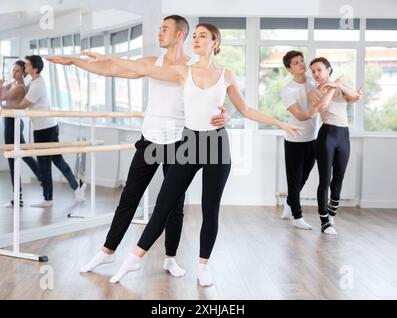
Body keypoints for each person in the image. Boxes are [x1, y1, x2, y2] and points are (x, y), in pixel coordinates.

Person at [85, 23, 303, 286]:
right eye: (195, 36)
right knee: (164, 203)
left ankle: (203, 266)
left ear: (216, 43)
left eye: (203, 36)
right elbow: (142, 68)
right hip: (189, 143)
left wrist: (281, 124)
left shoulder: (227, 75)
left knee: (209, 209)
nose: (196, 40)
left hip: (217, 147)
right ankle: (134, 259)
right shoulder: (181, 71)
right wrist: (108, 57)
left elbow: (246, 110)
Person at [48, 15, 231, 277]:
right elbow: (112, 70)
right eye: (159, 29)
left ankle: (170, 258)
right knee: (129, 197)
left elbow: (216, 98)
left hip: (181, 141)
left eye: (165, 29)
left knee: (173, 205)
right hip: (150, 139)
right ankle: (107, 251)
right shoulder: (151, 62)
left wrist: (226, 116)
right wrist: (76, 62)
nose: (159, 33)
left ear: (180, 34)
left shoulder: (195, 66)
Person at [3, 55, 86, 207]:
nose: (25, 67)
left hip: (46, 129)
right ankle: (54, 196)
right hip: (42, 128)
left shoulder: (37, 85)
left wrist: (3, 108)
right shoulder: (33, 82)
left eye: (27, 66)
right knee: (48, 163)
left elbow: (22, 105)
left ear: (34, 69)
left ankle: (68, 189)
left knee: (52, 161)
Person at [308, 57, 362, 235]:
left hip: (343, 135)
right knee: (325, 179)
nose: (316, 74)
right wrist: (333, 86)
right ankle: (324, 221)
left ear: (329, 69)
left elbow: (355, 97)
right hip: (327, 136)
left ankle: (332, 214)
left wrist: (338, 85)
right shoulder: (314, 92)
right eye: (313, 71)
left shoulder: (338, 88)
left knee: (338, 178)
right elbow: (323, 105)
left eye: (319, 70)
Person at [280, 51, 326, 229]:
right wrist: (316, 110)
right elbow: (299, 115)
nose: (301, 64)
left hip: (312, 140)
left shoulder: (313, 82)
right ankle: (297, 216)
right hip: (294, 141)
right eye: (296, 63)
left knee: (303, 178)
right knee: (294, 179)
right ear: (289, 69)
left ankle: (289, 202)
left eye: (301, 61)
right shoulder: (288, 90)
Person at [0, 60, 41, 207]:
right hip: (9, 122)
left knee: (15, 157)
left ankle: (19, 196)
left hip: (13, 124)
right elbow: (3, 99)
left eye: (17, 71)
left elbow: (3, 100)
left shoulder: (20, 88)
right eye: (13, 70)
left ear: (23, 72)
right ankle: (19, 196)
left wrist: (1, 90)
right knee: (21, 156)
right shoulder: (12, 84)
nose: (14, 73)